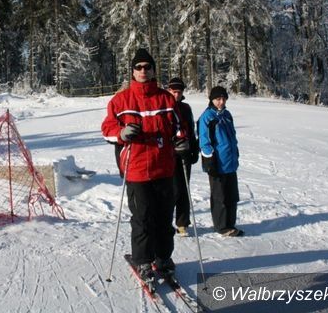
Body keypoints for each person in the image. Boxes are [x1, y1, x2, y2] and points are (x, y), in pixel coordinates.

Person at [101, 48, 189, 283]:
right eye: (138, 67)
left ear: (153, 70)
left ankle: (163, 257)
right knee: (143, 218)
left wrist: (181, 141)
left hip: (164, 168)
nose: (143, 70)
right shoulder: (120, 100)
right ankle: (143, 260)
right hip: (136, 169)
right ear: (133, 71)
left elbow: (179, 127)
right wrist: (121, 133)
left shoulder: (166, 99)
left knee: (164, 217)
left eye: (147, 67)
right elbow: (107, 129)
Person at [198, 86, 243, 237]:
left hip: (230, 162)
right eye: (218, 99)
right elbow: (204, 141)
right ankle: (222, 226)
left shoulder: (227, 115)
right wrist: (209, 160)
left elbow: (232, 137)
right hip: (217, 164)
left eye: (223, 99)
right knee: (220, 196)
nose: (221, 102)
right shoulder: (207, 117)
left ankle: (230, 224)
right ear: (212, 100)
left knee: (232, 196)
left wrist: (235, 153)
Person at [166, 78, 199, 237]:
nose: (176, 95)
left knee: (184, 188)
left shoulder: (186, 108)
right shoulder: (164, 106)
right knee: (172, 189)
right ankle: (166, 222)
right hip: (169, 154)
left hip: (185, 152)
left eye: (179, 92)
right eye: (174, 92)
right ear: (169, 91)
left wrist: (194, 149)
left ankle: (182, 223)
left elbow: (191, 130)